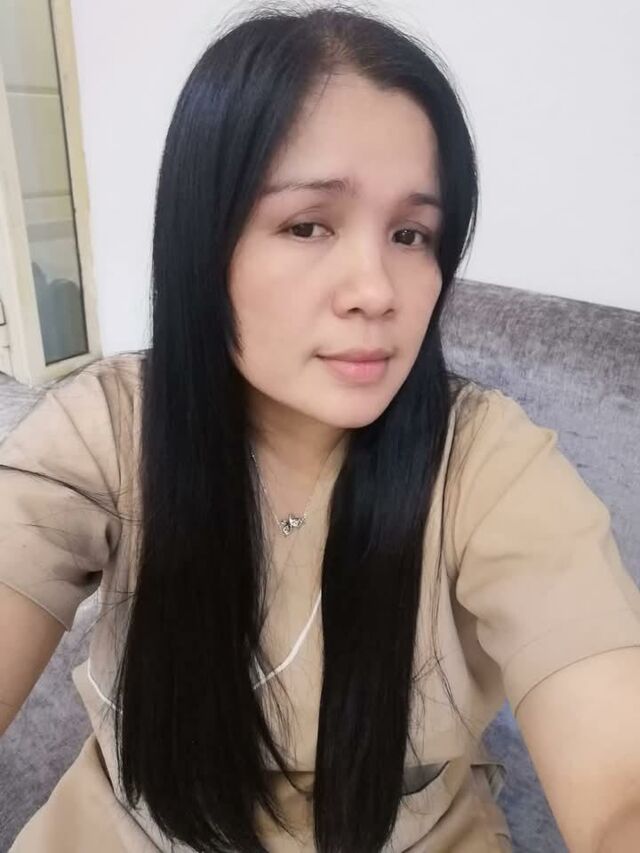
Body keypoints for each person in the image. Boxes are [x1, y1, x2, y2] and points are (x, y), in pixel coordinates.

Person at [1, 3, 640, 851]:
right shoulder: (107, 429)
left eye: (411, 233)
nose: (376, 290)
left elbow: (619, 775)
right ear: (204, 243)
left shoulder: (488, 462)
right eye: (308, 225)